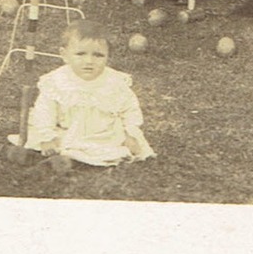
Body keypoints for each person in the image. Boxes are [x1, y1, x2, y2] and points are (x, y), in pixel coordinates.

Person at [23, 20, 155, 168]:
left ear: (108, 56)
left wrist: (131, 133)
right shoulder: (57, 81)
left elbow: (130, 110)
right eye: (80, 54)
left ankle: (66, 160)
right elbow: (44, 111)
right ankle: (53, 157)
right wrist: (47, 136)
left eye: (98, 55)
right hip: (67, 131)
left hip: (104, 134)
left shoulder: (114, 82)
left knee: (116, 148)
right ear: (64, 55)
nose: (89, 61)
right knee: (55, 142)